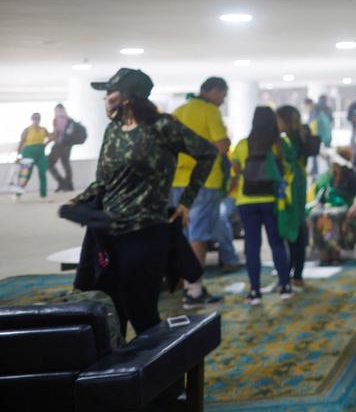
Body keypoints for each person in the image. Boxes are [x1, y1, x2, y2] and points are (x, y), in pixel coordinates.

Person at [66, 68, 218, 335]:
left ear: (127, 96)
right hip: (108, 233)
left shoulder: (163, 127)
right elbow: (102, 181)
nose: (105, 99)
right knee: (110, 310)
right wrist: (74, 203)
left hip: (146, 233)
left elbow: (206, 153)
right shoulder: (112, 131)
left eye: (109, 93)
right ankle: (117, 373)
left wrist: (186, 201)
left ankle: (160, 374)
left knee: (141, 309)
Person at [170, 77, 236, 281]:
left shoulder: (180, 111)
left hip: (178, 181)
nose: (223, 100)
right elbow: (222, 145)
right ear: (214, 91)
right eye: (223, 94)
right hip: (205, 181)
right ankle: (195, 287)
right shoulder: (210, 111)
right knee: (199, 234)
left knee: (184, 233)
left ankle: (183, 283)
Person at [229, 106, 294, 304]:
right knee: (276, 243)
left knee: (252, 246)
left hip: (246, 201)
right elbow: (290, 171)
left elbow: (234, 172)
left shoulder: (242, 145)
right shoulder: (280, 144)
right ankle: (285, 286)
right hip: (272, 200)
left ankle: (255, 291)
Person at [276, 105, 313, 287]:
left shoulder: (287, 140)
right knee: (297, 226)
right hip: (299, 184)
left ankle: (293, 271)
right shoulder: (302, 135)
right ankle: (297, 273)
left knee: (293, 227)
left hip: (291, 186)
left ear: (285, 120)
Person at [14, 112, 51, 199]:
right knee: (25, 174)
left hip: (40, 153)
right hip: (28, 153)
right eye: (34, 118)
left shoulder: (43, 129)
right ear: (32, 119)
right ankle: (18, 194)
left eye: (38, 118)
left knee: (42, 172)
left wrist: (45, 144)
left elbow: (51, 137)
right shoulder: (27, 130)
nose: (36, 120)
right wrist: (17, 156)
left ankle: (43, 195)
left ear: (40, 119)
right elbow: (21, 142)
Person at [47, 104, 81, 192]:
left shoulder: (56, 120)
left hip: (59, 144)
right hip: (68, 145)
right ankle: (68, 184)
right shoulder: (69, 120)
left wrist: (46, 142)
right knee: (66, 164)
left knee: (49, 164)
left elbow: (56, 133)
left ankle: (62, 183)